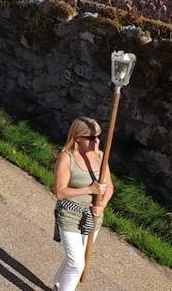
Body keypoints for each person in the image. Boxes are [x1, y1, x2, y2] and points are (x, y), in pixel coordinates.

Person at [52, 116, 113, 291]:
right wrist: (89, 189)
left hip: (93, 217)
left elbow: (109, 186)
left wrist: (102, 205)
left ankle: (58, 283)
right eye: (91, 137)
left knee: (76, 258)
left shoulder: (101, 156)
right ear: (78, 137)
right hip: (70, 214)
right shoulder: (67, 158)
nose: (97, 141)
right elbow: (60, 192)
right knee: (77, 263)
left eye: (99, 136)